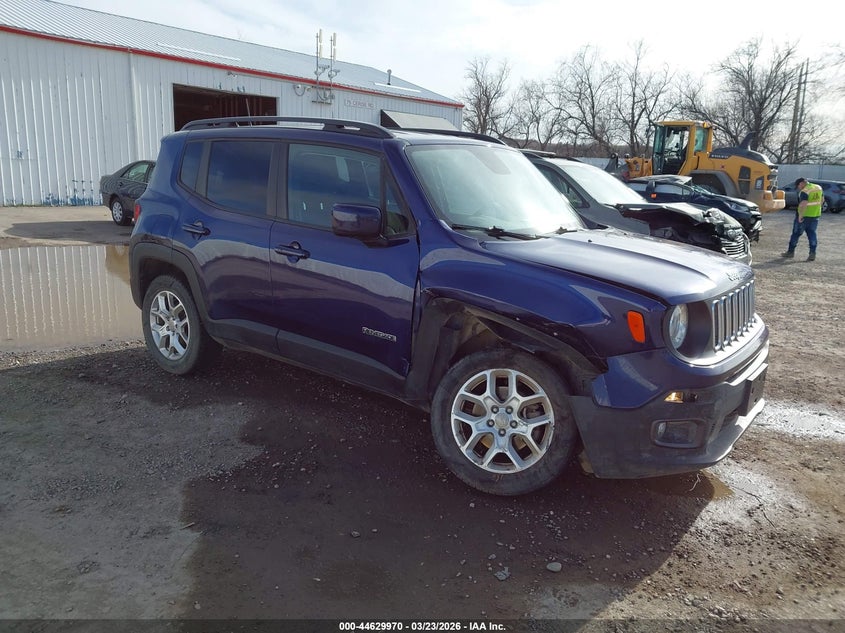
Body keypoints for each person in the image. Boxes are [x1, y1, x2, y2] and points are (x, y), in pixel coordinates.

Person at [782, 177, 823, 261]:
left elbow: (803, 203)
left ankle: (790, 252)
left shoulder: (805, 191)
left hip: (804, 216)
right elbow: (822, 200)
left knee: (796, 234)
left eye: (798, 186)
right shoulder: (818, 187)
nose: (798, 188)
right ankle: (812, 253)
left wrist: (800, 215)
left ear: (801, 183)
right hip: (815, 215)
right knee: (812, 234)